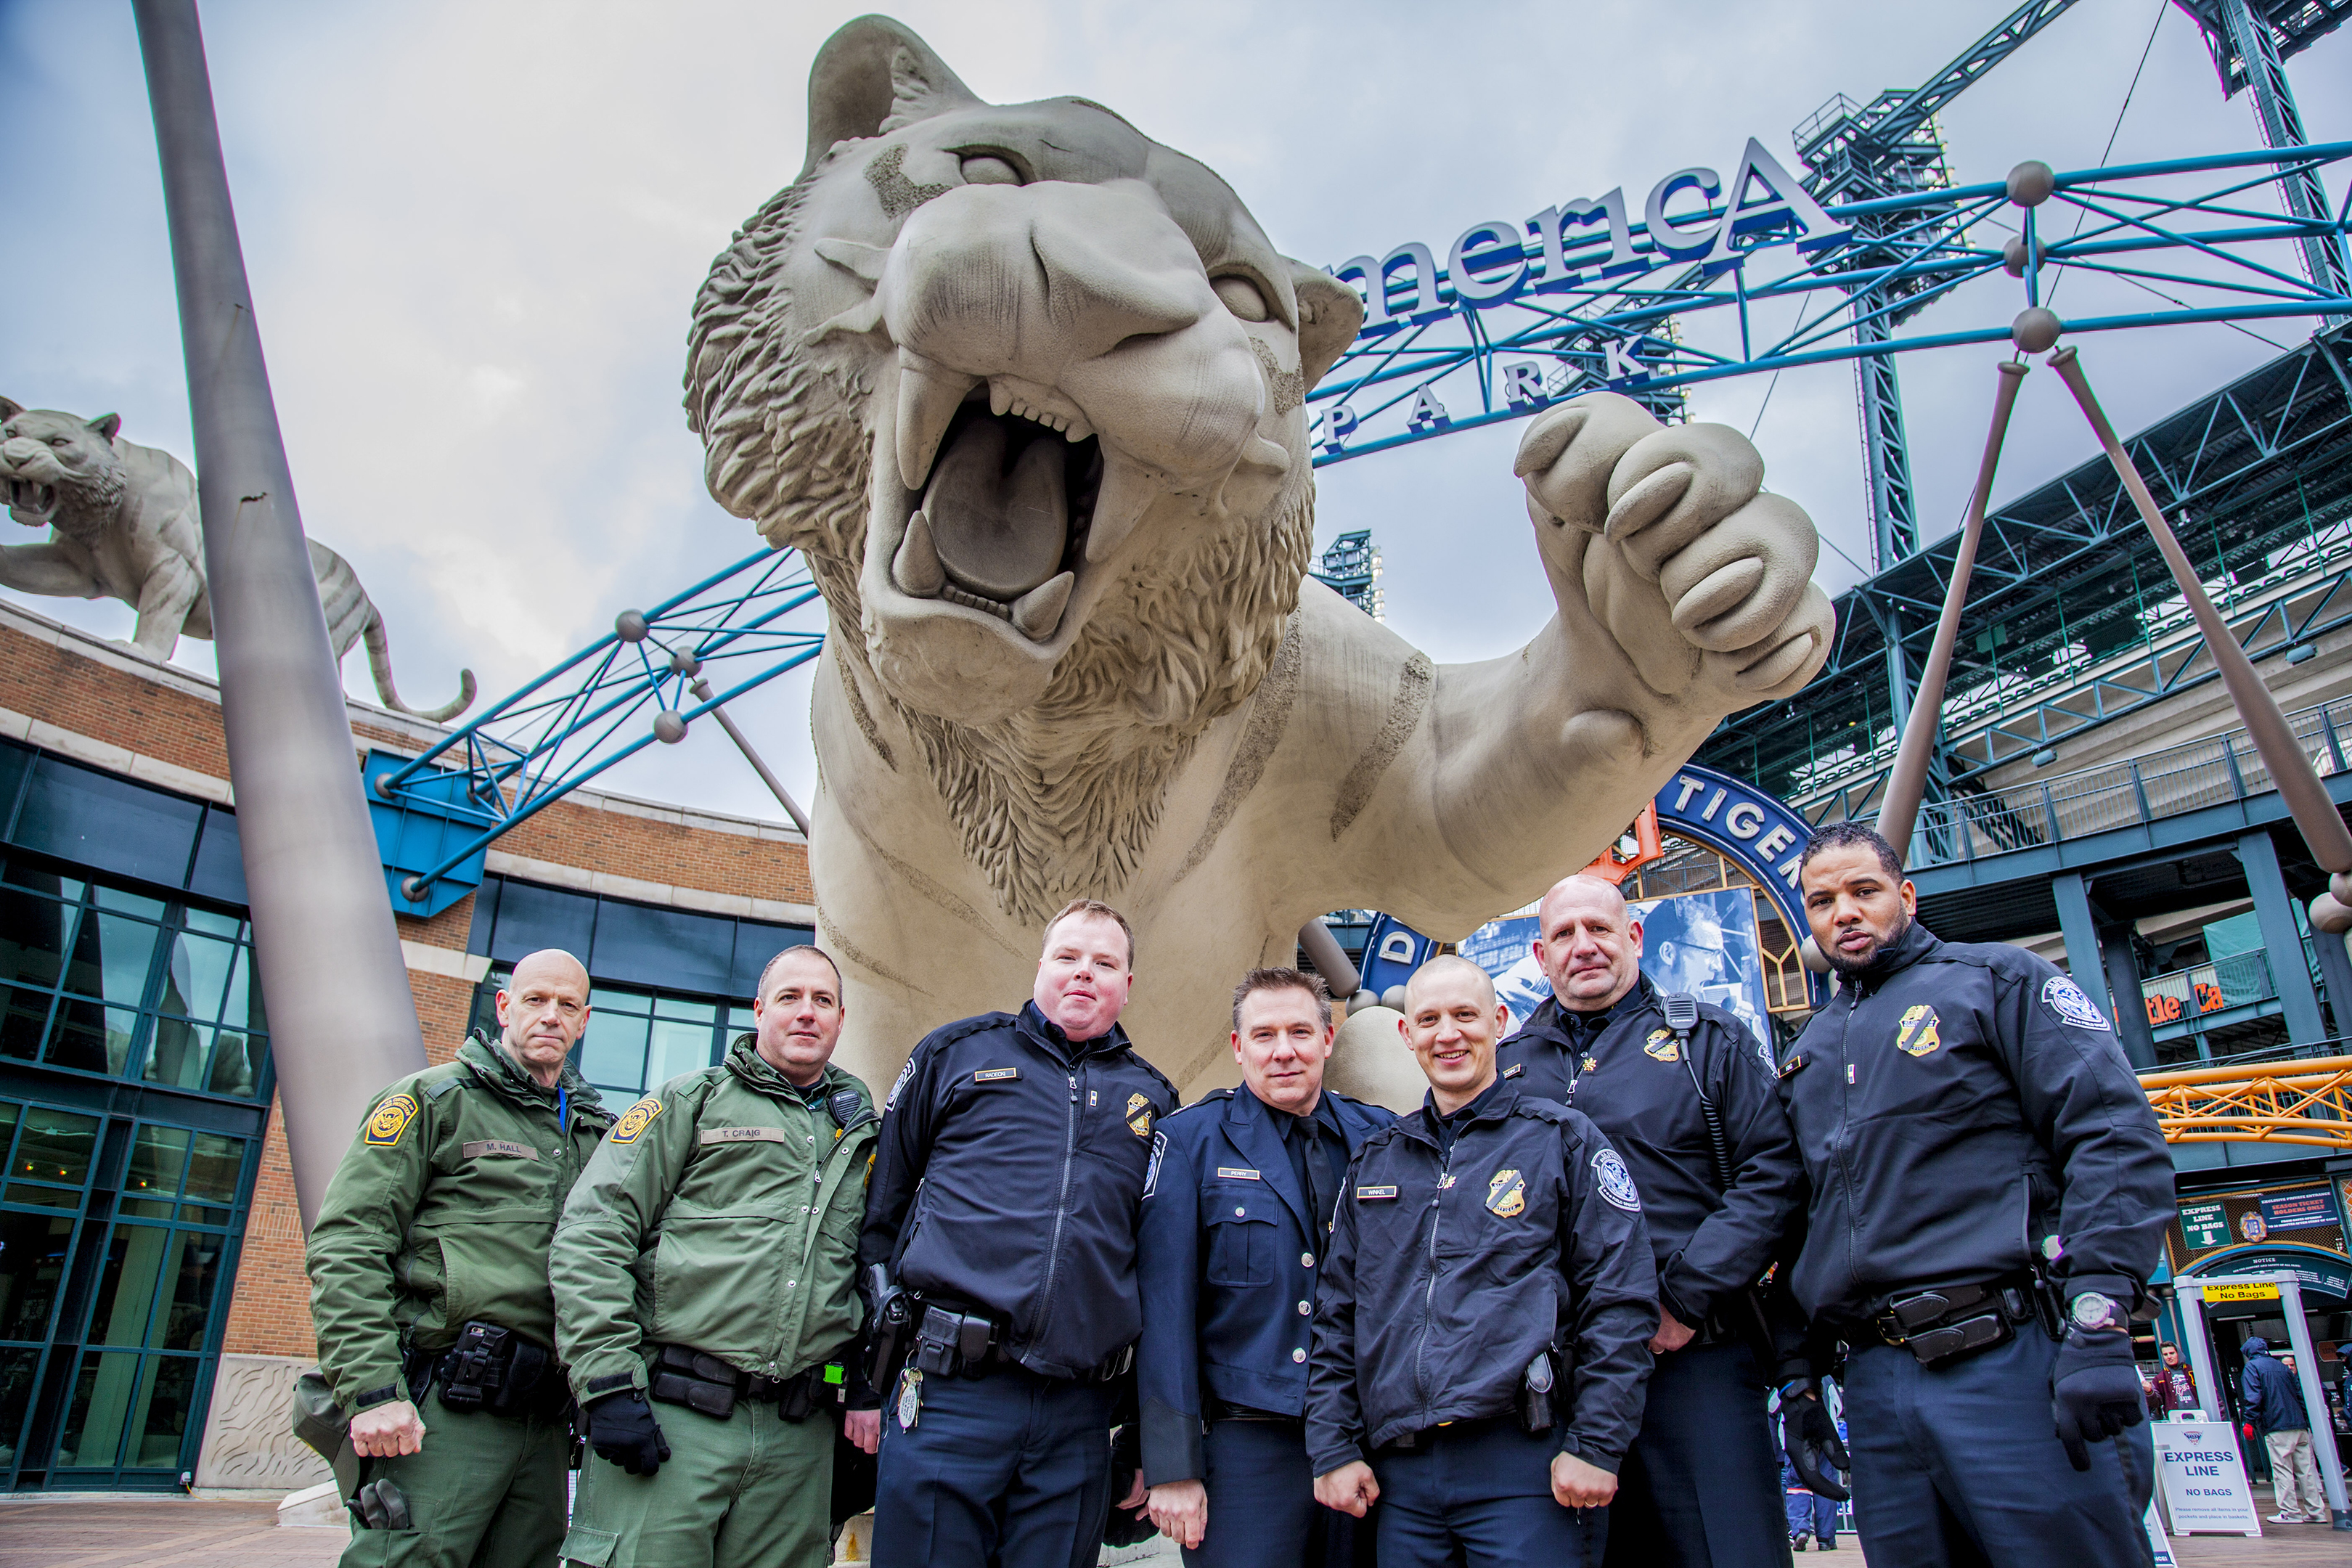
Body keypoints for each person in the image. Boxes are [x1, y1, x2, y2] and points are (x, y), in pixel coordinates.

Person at [1776, 822, 2175, 1566]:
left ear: (1907, 895)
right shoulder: (1807, 1055)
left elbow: (2114, 1138)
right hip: (1879, 1382)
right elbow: (1802, 1220)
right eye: (1823, 900)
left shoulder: (1999, 982)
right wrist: (1799, 1378)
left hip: (2013, 1357)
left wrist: (2099, 1316)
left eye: (1865, 891)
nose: (1846, 913)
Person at [1498, 874, 1808, 1567]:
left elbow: (1775, 1175)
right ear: (1541, 956)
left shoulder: (1709, 1042)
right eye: (1564, 935)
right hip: (1560, 1382)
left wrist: (1681, 1298)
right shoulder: (1509, 1068)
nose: (1583, 947)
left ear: (1634, 938)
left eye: (1600, 929)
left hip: (1691, 1362)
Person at [1307, 955, 1657, 1567]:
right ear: (1406, 1034)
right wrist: (1334, 1448)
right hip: (1403, 1479)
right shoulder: (1375, 1162)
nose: (1449, 1034)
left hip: (1526, 1466)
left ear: (1498, 1021)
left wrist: (1598, 1445)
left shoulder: (1561, 1141)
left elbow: (1620, 1301)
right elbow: (1339, 1316)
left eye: (1466, 1015)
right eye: (1430, 1019)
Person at [861, 899, 1180, 1567]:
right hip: (951, 1394)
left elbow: (1162, 1274)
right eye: (1067, 957)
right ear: (1040, 968)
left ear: (1128, 985)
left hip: (1077, 1415)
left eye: (1104, 963)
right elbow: (879, 1219)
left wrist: (1148, 1438)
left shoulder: (1155, 1101)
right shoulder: (954, 1055)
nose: (1083, 974)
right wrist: (865, 1380)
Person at [550, 945, 878, 1567]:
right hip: (676, 1419)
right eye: (789, 998)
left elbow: (870, 1274)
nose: (806, 1013)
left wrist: (860, 1388)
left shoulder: (864, 1136)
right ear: (759, 1011)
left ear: (841, 1019)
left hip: (797, 1440)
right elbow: (593, 1232)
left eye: (823, 1001)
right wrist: (607, 1382)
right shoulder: (690, 1102)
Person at [304, 949, 613, 1567]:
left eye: (567, 1005)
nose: (550, 1016)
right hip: (443, 1411)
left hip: (547, 1420)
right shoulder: (431, 1099)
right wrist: (371, 1391)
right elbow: (348, 1243)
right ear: (504, 1007)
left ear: (584, 1022)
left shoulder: (598, 1135)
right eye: (535, 1000)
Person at [1138, 968, 1395, 1567]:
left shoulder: (1379, 1140)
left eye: (1301, 1032)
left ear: (1328, 1040)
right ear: (1237, 1048)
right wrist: (1174, 1466)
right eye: (1264, 1035)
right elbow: (1165, 1309)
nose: (1284, 1052)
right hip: (1244, 1451)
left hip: (1364, 1441)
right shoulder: (1189, 1143)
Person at [2239, 1337, 2327, 1523]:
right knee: (2307, 1471)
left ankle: (2290, 1512)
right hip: (2299, 1425)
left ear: (2248, 1353)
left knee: (2282, 1470)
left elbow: (2254, 1397)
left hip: (2276, 1426)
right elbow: (2299, 1395)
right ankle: (2316, 1512)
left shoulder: (2252, 1368)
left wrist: (2249, 1421)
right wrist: (2305, 1421)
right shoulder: (2283, 1367)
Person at [2155, 1342, 2198, 1414]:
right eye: (2165, 1355)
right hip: (2176, 1421)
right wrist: (2149, 1392)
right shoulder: (2159, 1378)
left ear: (2178, 1353)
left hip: (2200, 1418)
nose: (2169, 1357)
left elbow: (2214, 1397)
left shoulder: (2194, 1371)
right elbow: (2156, 1404)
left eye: (2172, 1353)